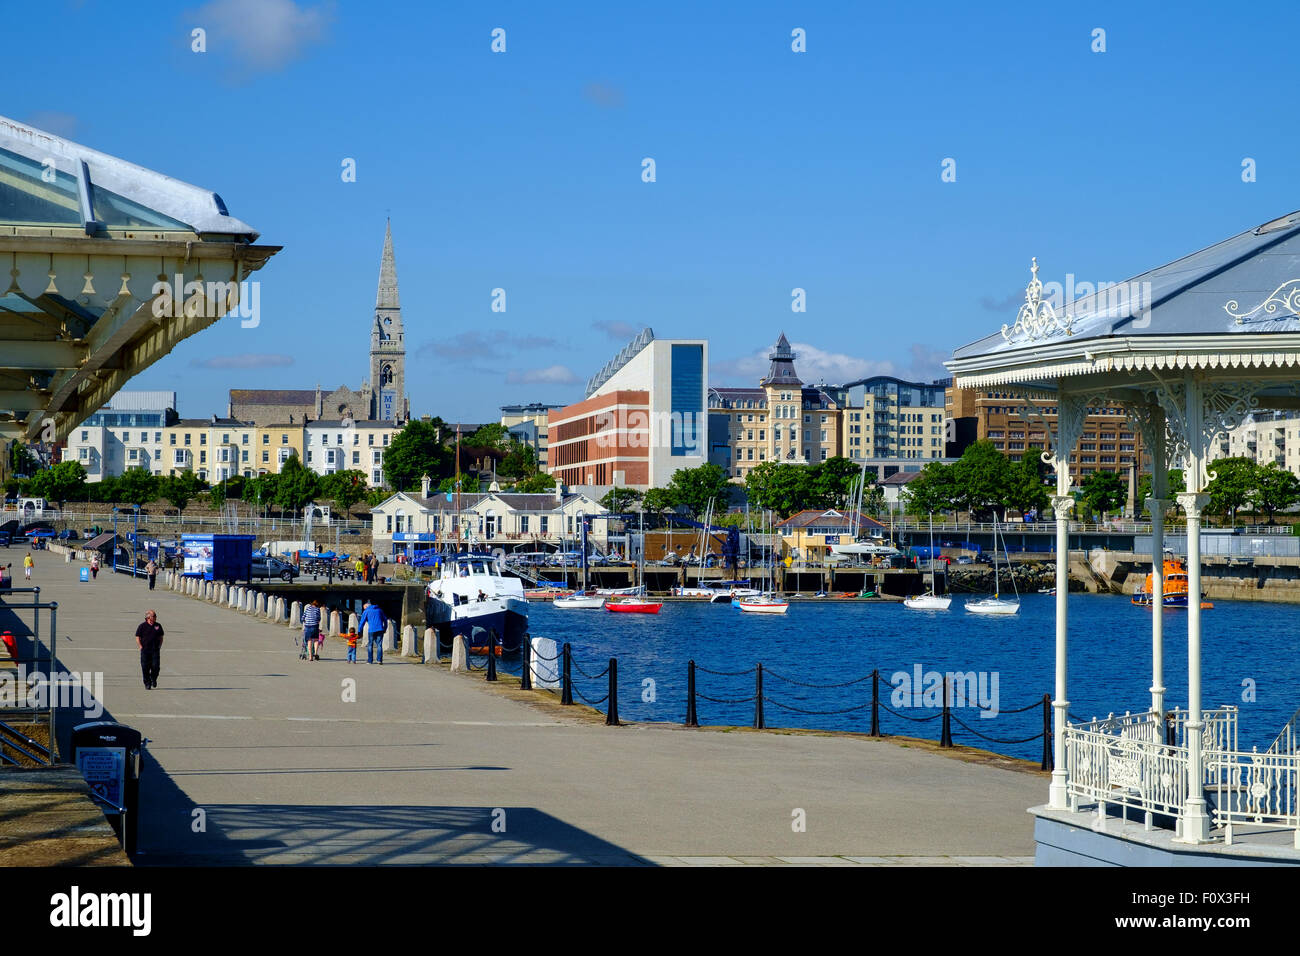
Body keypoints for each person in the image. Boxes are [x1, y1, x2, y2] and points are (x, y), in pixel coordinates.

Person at [135, 609, 164, 690]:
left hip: (155, 650)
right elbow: (137, 637)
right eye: (154, 616)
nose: (155, 617)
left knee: (156, 667)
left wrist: (159, 646)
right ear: (148, 617)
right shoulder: (142, 626)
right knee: (145, 667)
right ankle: (147, 683)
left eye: (155, 616)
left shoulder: (158, 625)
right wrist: (140, 646)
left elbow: (161, 637)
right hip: (145, 650)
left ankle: (153, 678)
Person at [360, 598, 387, 665]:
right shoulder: (380, 610)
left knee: (370, 644)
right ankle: (379, 660)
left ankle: (370, 660)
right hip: (380, 629)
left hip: (371, 630)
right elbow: (385, 620)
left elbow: (362, 622)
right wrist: (385, 628)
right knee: (379, 645)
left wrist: (359, 631)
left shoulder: (366, 611)